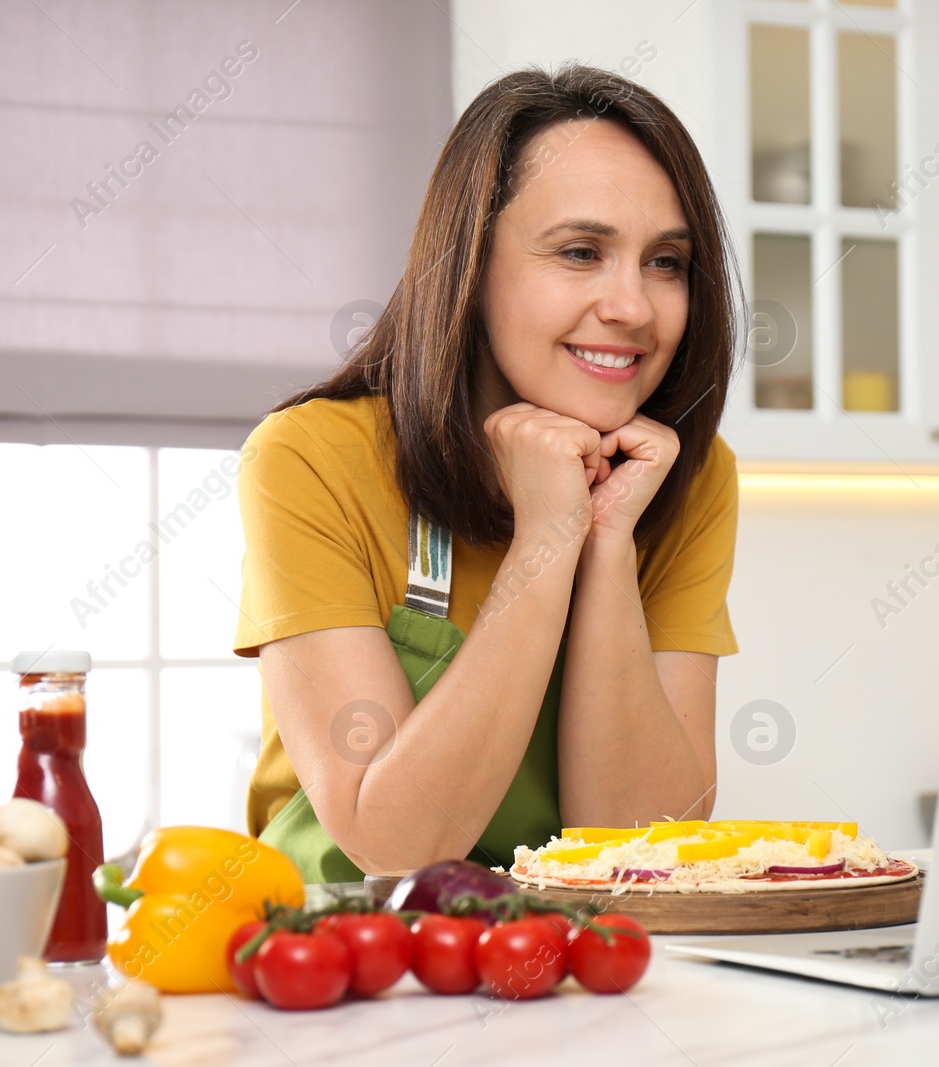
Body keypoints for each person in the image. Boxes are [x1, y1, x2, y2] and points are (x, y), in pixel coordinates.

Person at [233, 62, 742, 884]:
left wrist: (605, 536)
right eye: (581, 252)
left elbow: (646, 849)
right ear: (469, 267)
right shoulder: (310, 456)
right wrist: (546, 536)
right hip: (347, 973)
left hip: (575, 970)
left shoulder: (683, 475)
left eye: (666, 262)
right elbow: (394, 845)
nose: (635, 307)